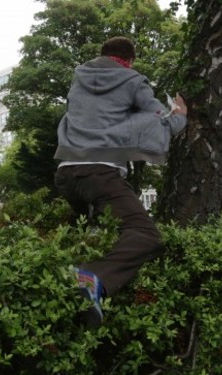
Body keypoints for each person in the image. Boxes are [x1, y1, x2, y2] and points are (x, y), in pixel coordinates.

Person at [54, 36, 187, 326]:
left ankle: (62, 283)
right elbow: (158, 119)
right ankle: (91, 279)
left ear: (102, 54)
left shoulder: (79, 78)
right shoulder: (133, 81)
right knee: (145, 234)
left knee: (90, 233)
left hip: (66, 172)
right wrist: (180, 116)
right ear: (130, 60)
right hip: (99, 172)